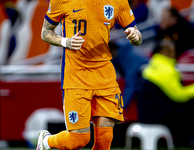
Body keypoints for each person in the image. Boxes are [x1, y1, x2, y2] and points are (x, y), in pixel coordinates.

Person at [36, 0, 142, 149]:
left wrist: (136, 36)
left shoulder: (118, 1)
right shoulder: (61, 1)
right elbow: (45, 32)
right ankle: (46, 141)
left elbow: (136, 34)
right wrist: (66, 42)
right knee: (78, 140)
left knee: (105, 139)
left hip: (104, 75)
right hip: (76, 75)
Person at [138, 39, 194, 147]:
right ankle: (184, 142)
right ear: (163, 50)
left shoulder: (153, 64)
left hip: (146, 114)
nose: (173, 49)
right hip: (157, 116)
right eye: (169, 47)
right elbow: (178, 95)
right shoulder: (165, 69)